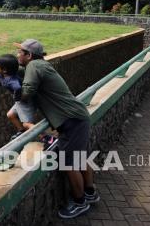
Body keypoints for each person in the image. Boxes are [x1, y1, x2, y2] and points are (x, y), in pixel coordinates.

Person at [14, 38, 100, 219]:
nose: (17, 55)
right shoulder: (41, 65)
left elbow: (27, 91)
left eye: (20, 52)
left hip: (71, 121)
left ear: (29, 55)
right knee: (81, 157)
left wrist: (13, 89)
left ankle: (79, 202)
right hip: (77, 117)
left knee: (69, 164)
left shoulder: (34, 67)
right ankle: (91, 193)